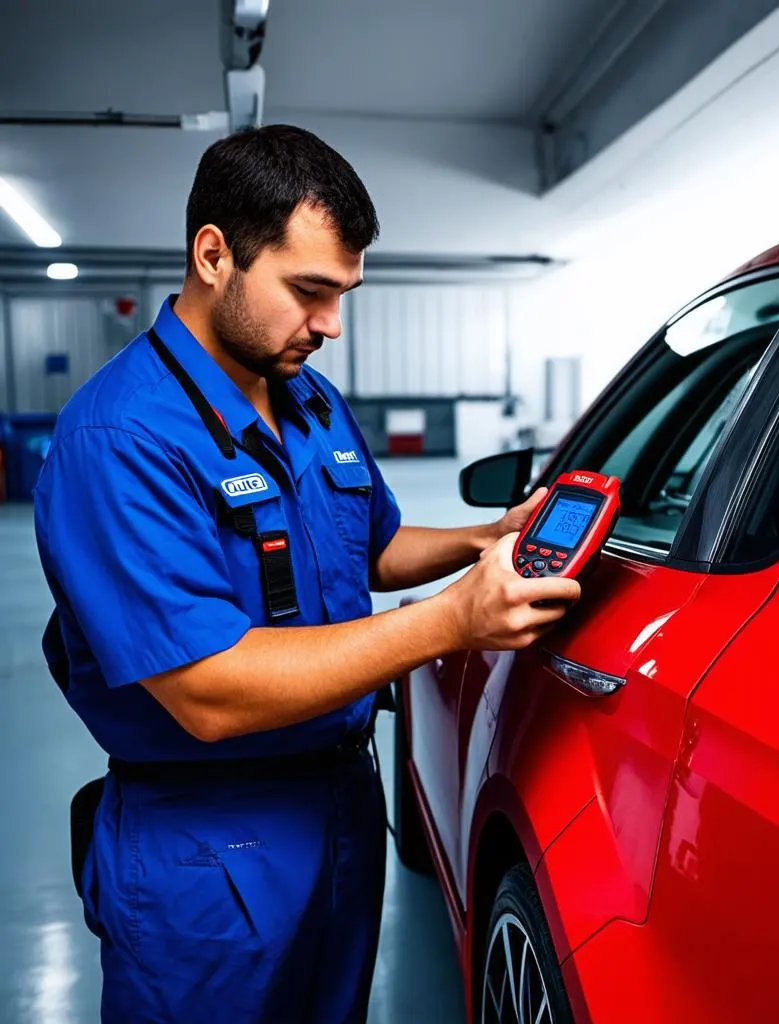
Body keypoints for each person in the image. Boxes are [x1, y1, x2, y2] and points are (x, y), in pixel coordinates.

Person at [33, 124, 579, 1024]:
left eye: (343, 294)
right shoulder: (121, 439)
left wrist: (489, 540)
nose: (330, 324)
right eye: (309, 290)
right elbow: (209, 690)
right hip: (208, 851)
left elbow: (372, 549)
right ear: (214, 255)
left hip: (340, 811)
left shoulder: (307, 397)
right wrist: (453, 622)